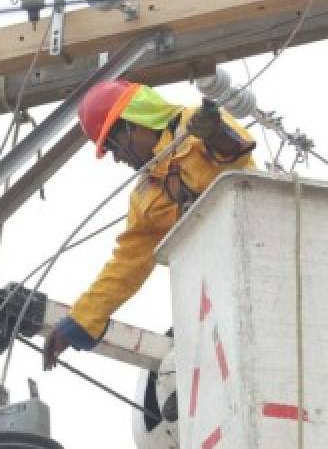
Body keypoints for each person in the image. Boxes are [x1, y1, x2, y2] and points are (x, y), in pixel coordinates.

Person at [42, 80, 258, 370]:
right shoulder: (145, 195)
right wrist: (78, 321)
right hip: (219, 288)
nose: (117, 158)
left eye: (113, 145)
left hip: (260, 250)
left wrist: (215, 133)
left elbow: (237, 152)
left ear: (133, 124)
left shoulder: (193, 126)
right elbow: (127, 264)